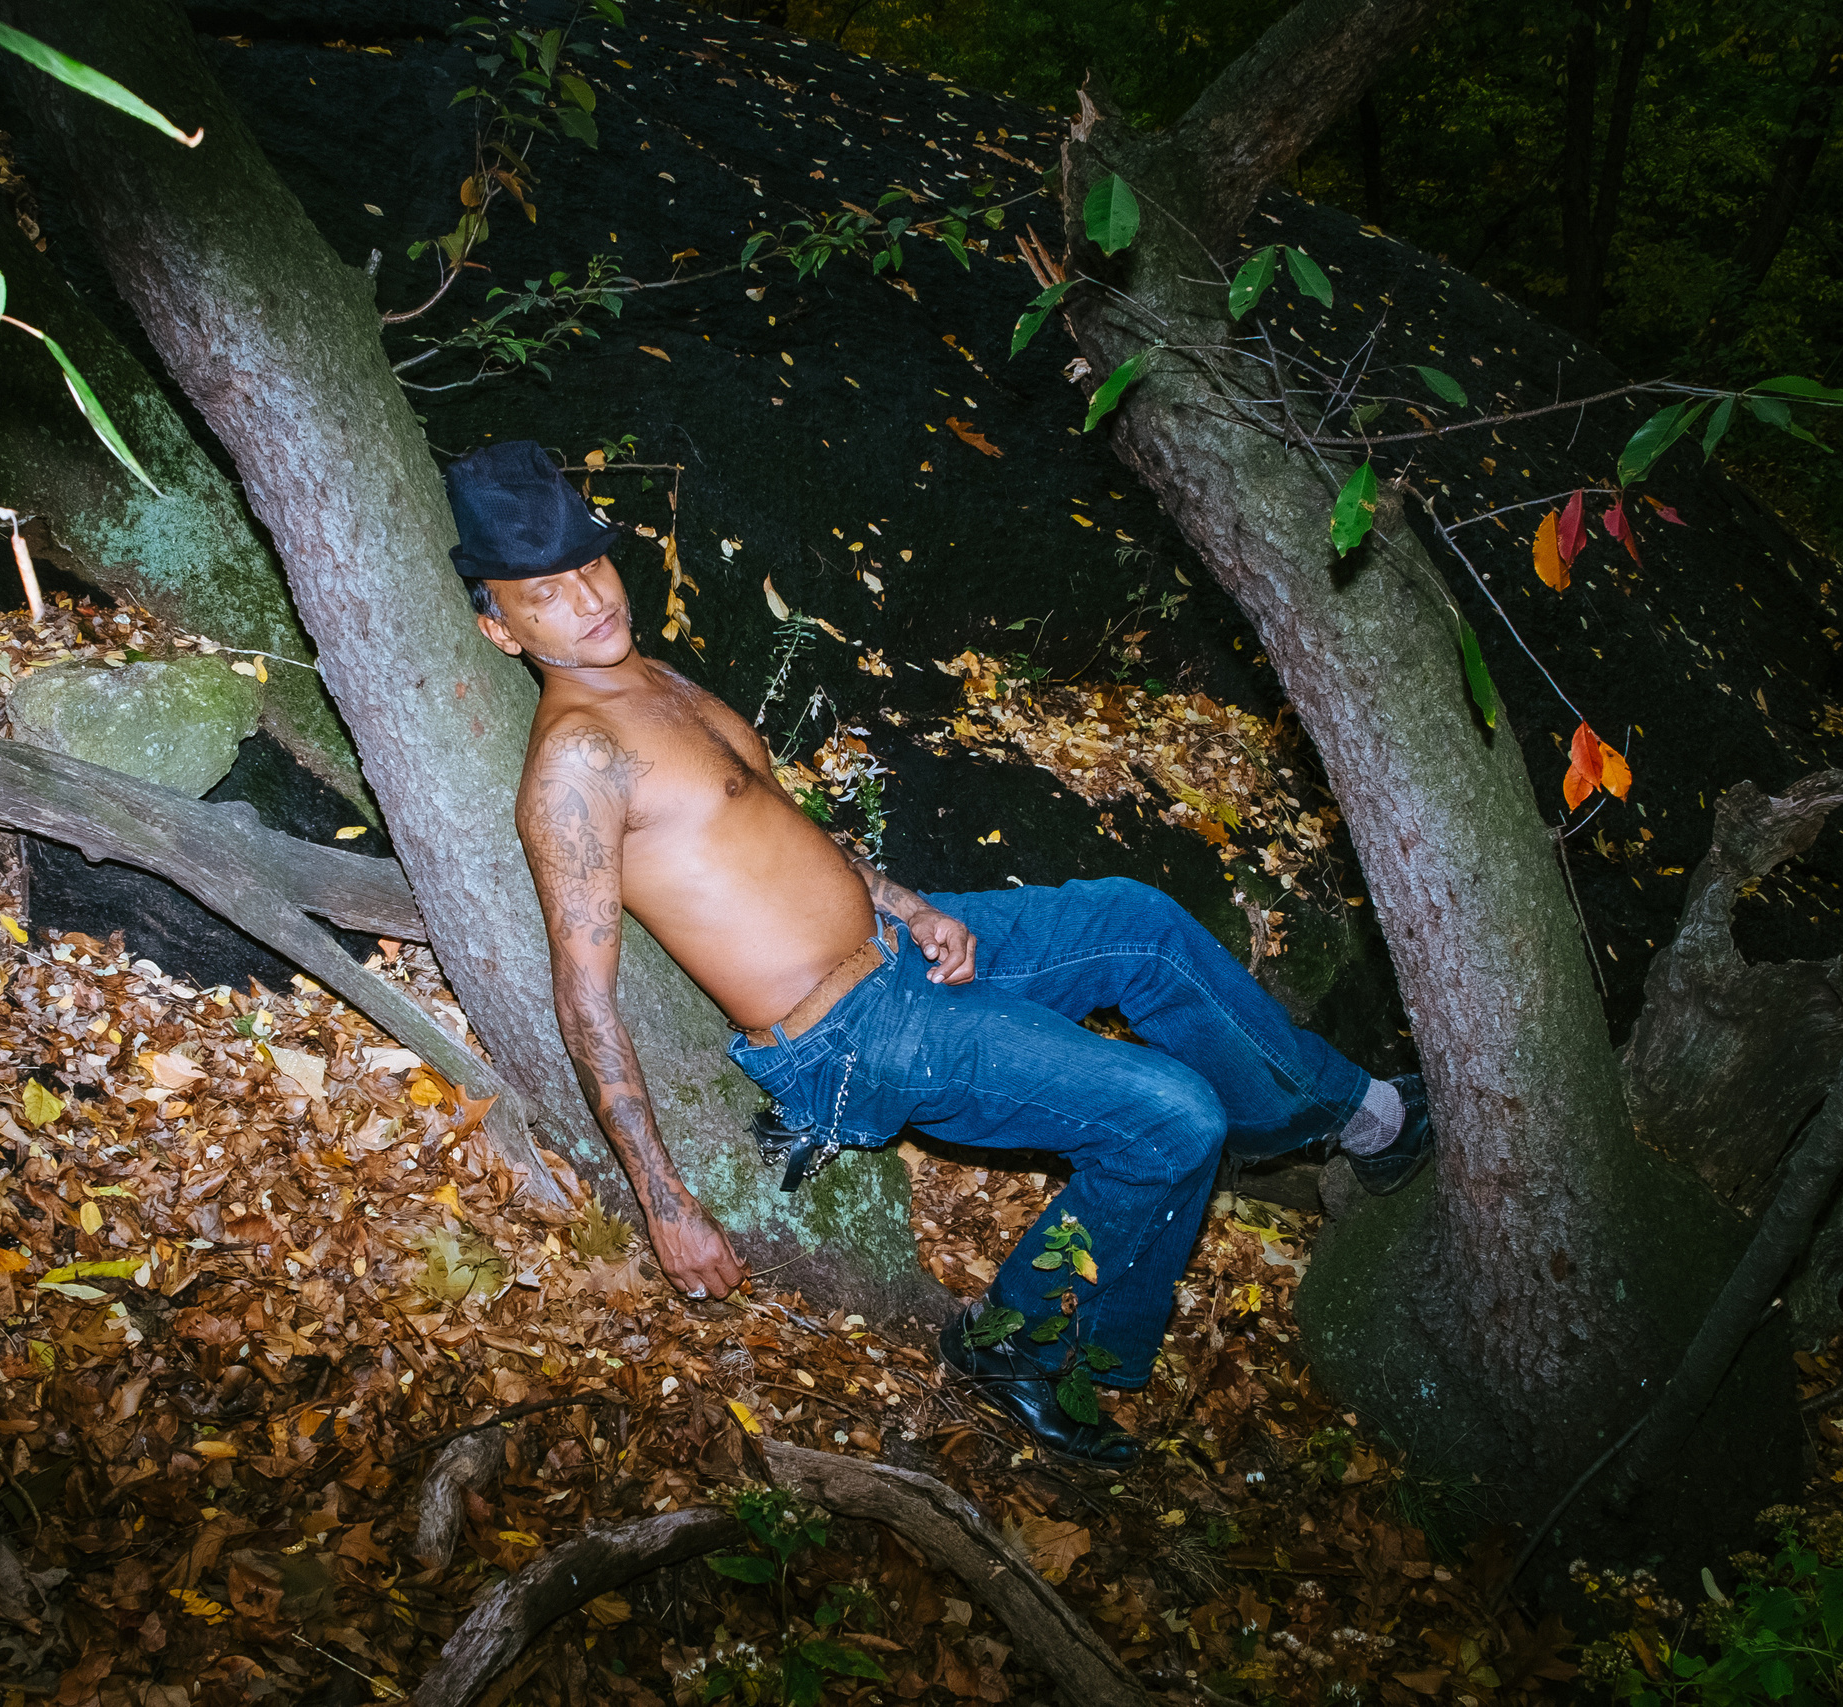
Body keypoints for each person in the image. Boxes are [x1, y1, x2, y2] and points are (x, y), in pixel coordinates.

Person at [449, 441, 1433, 1465]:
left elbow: (782, 831)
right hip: (850, 1034)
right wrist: (666, 1207)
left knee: (1136, 923)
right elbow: (584, 999)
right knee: (1169, 1119)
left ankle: (1348, 1119)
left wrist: (911, 906)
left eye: (591, 565)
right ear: (497, 625)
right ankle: (1018, 1348)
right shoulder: (575, 765)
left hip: (894, 948)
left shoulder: (653, 679)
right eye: (544, 591)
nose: (588, 598)